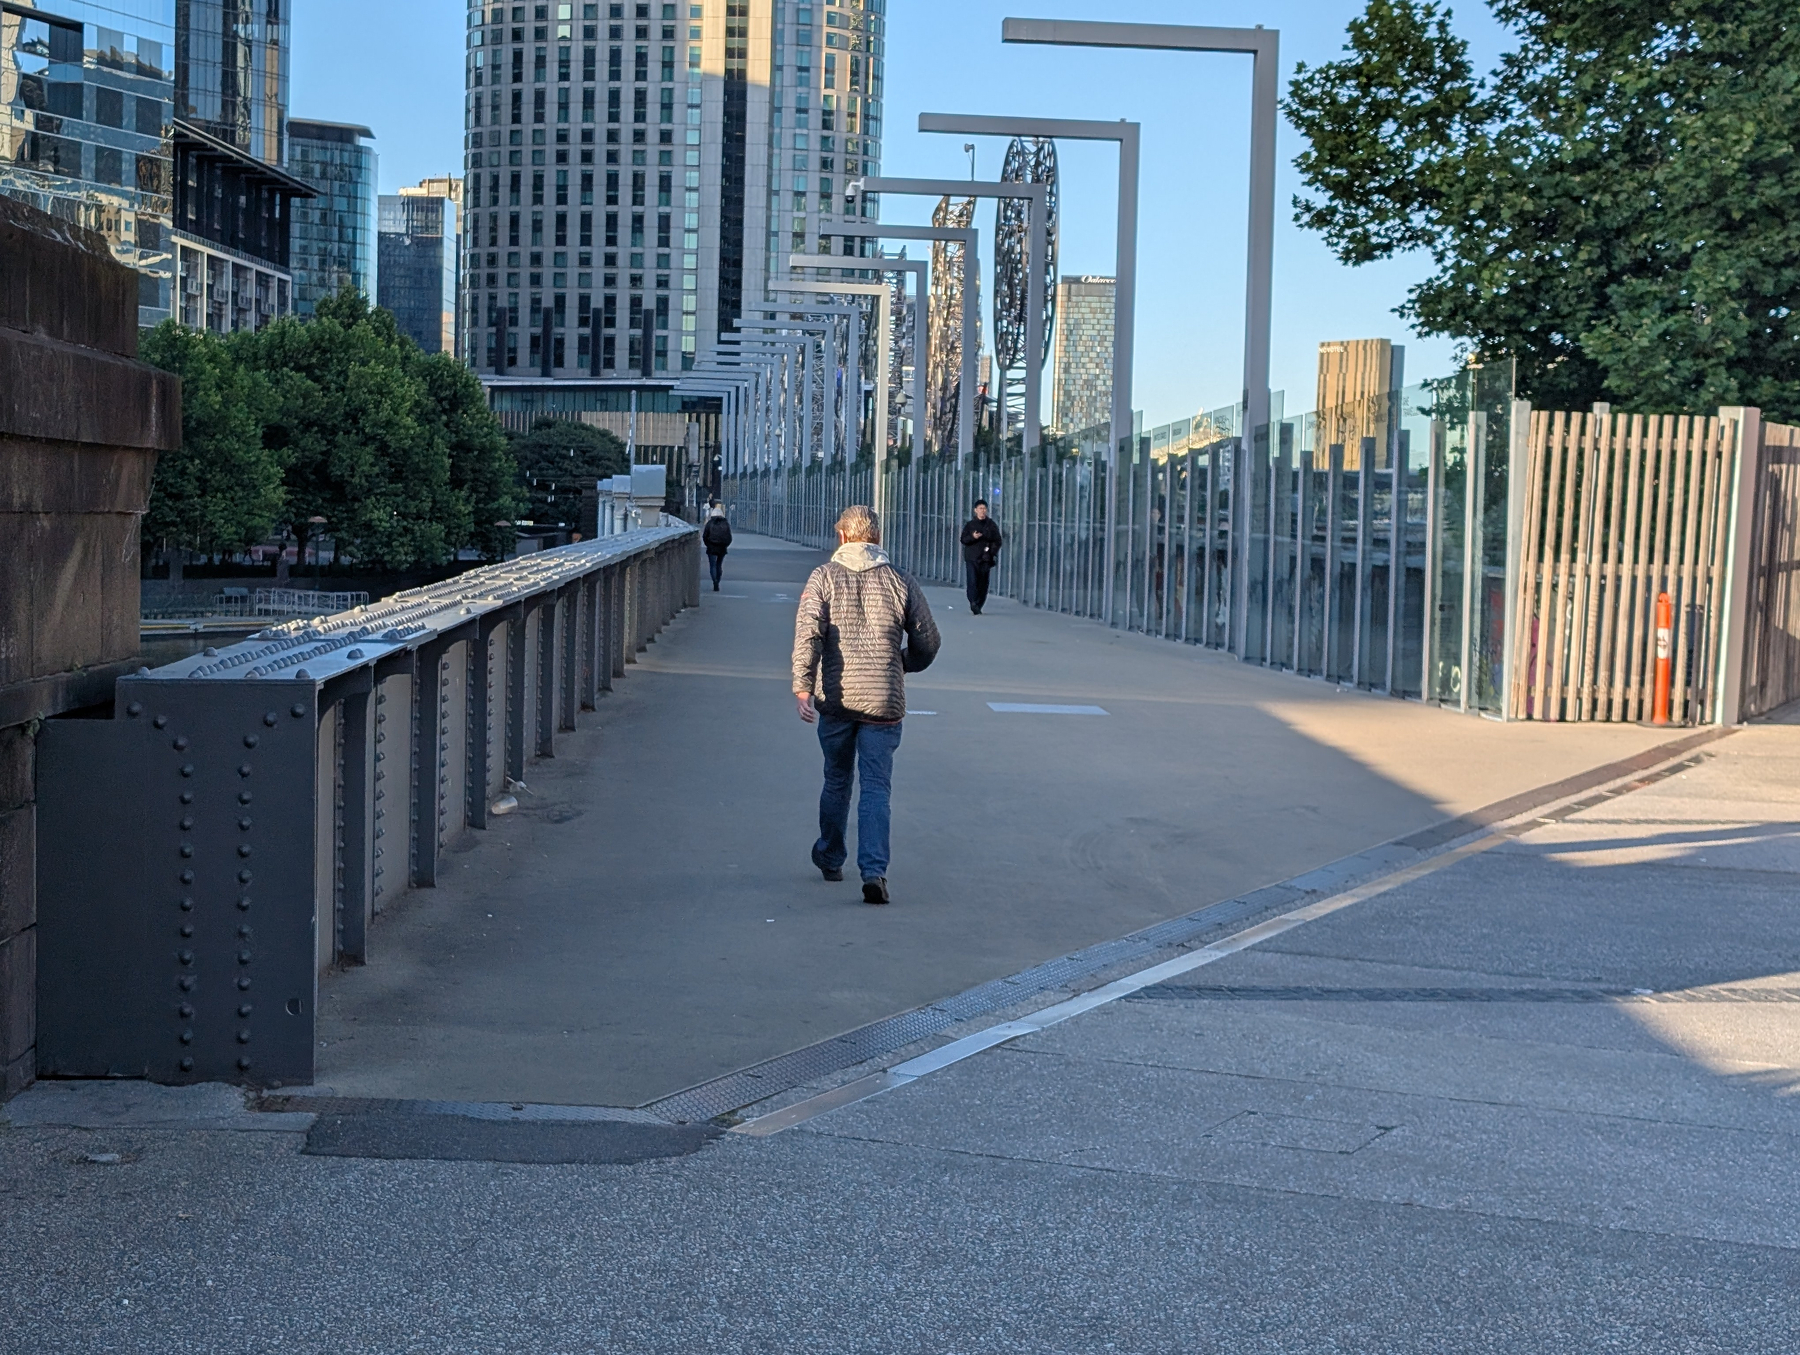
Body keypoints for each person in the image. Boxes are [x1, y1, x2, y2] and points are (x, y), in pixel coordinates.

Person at [791, 504, 941, 904]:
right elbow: (929, 640)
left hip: (836, 697)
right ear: (877, 538)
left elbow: (809, 635)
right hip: (884, 700)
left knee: (837, 779)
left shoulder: (823, 578)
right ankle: (874, 871)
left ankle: (830, 856)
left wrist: (803, 686)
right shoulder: (900, 580)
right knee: (876, 787)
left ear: (842, 537)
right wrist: (901, 664)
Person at [959, 499, 1003, 614]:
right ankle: (973, 602)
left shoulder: (991, 525)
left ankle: (979, 604)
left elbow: (998, 541)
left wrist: (991, 552)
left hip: (985, 559)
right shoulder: (970, 525)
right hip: (972, 558)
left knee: (983, 583)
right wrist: (973, 537)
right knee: (972, 581)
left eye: (984, 509)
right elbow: (963, 539)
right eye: (980, 509)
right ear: (975, 510)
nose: (982, 511)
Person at [701, 500, 732, 590]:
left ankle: (714, 580)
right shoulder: (725, 524)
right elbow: (729, 537)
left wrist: (708, 544)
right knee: (719, 565)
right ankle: (718, 580)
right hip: (722, 548)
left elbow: (705, 536)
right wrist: (725, 545)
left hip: (711, 547)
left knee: (712, 565)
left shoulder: (709, 524)